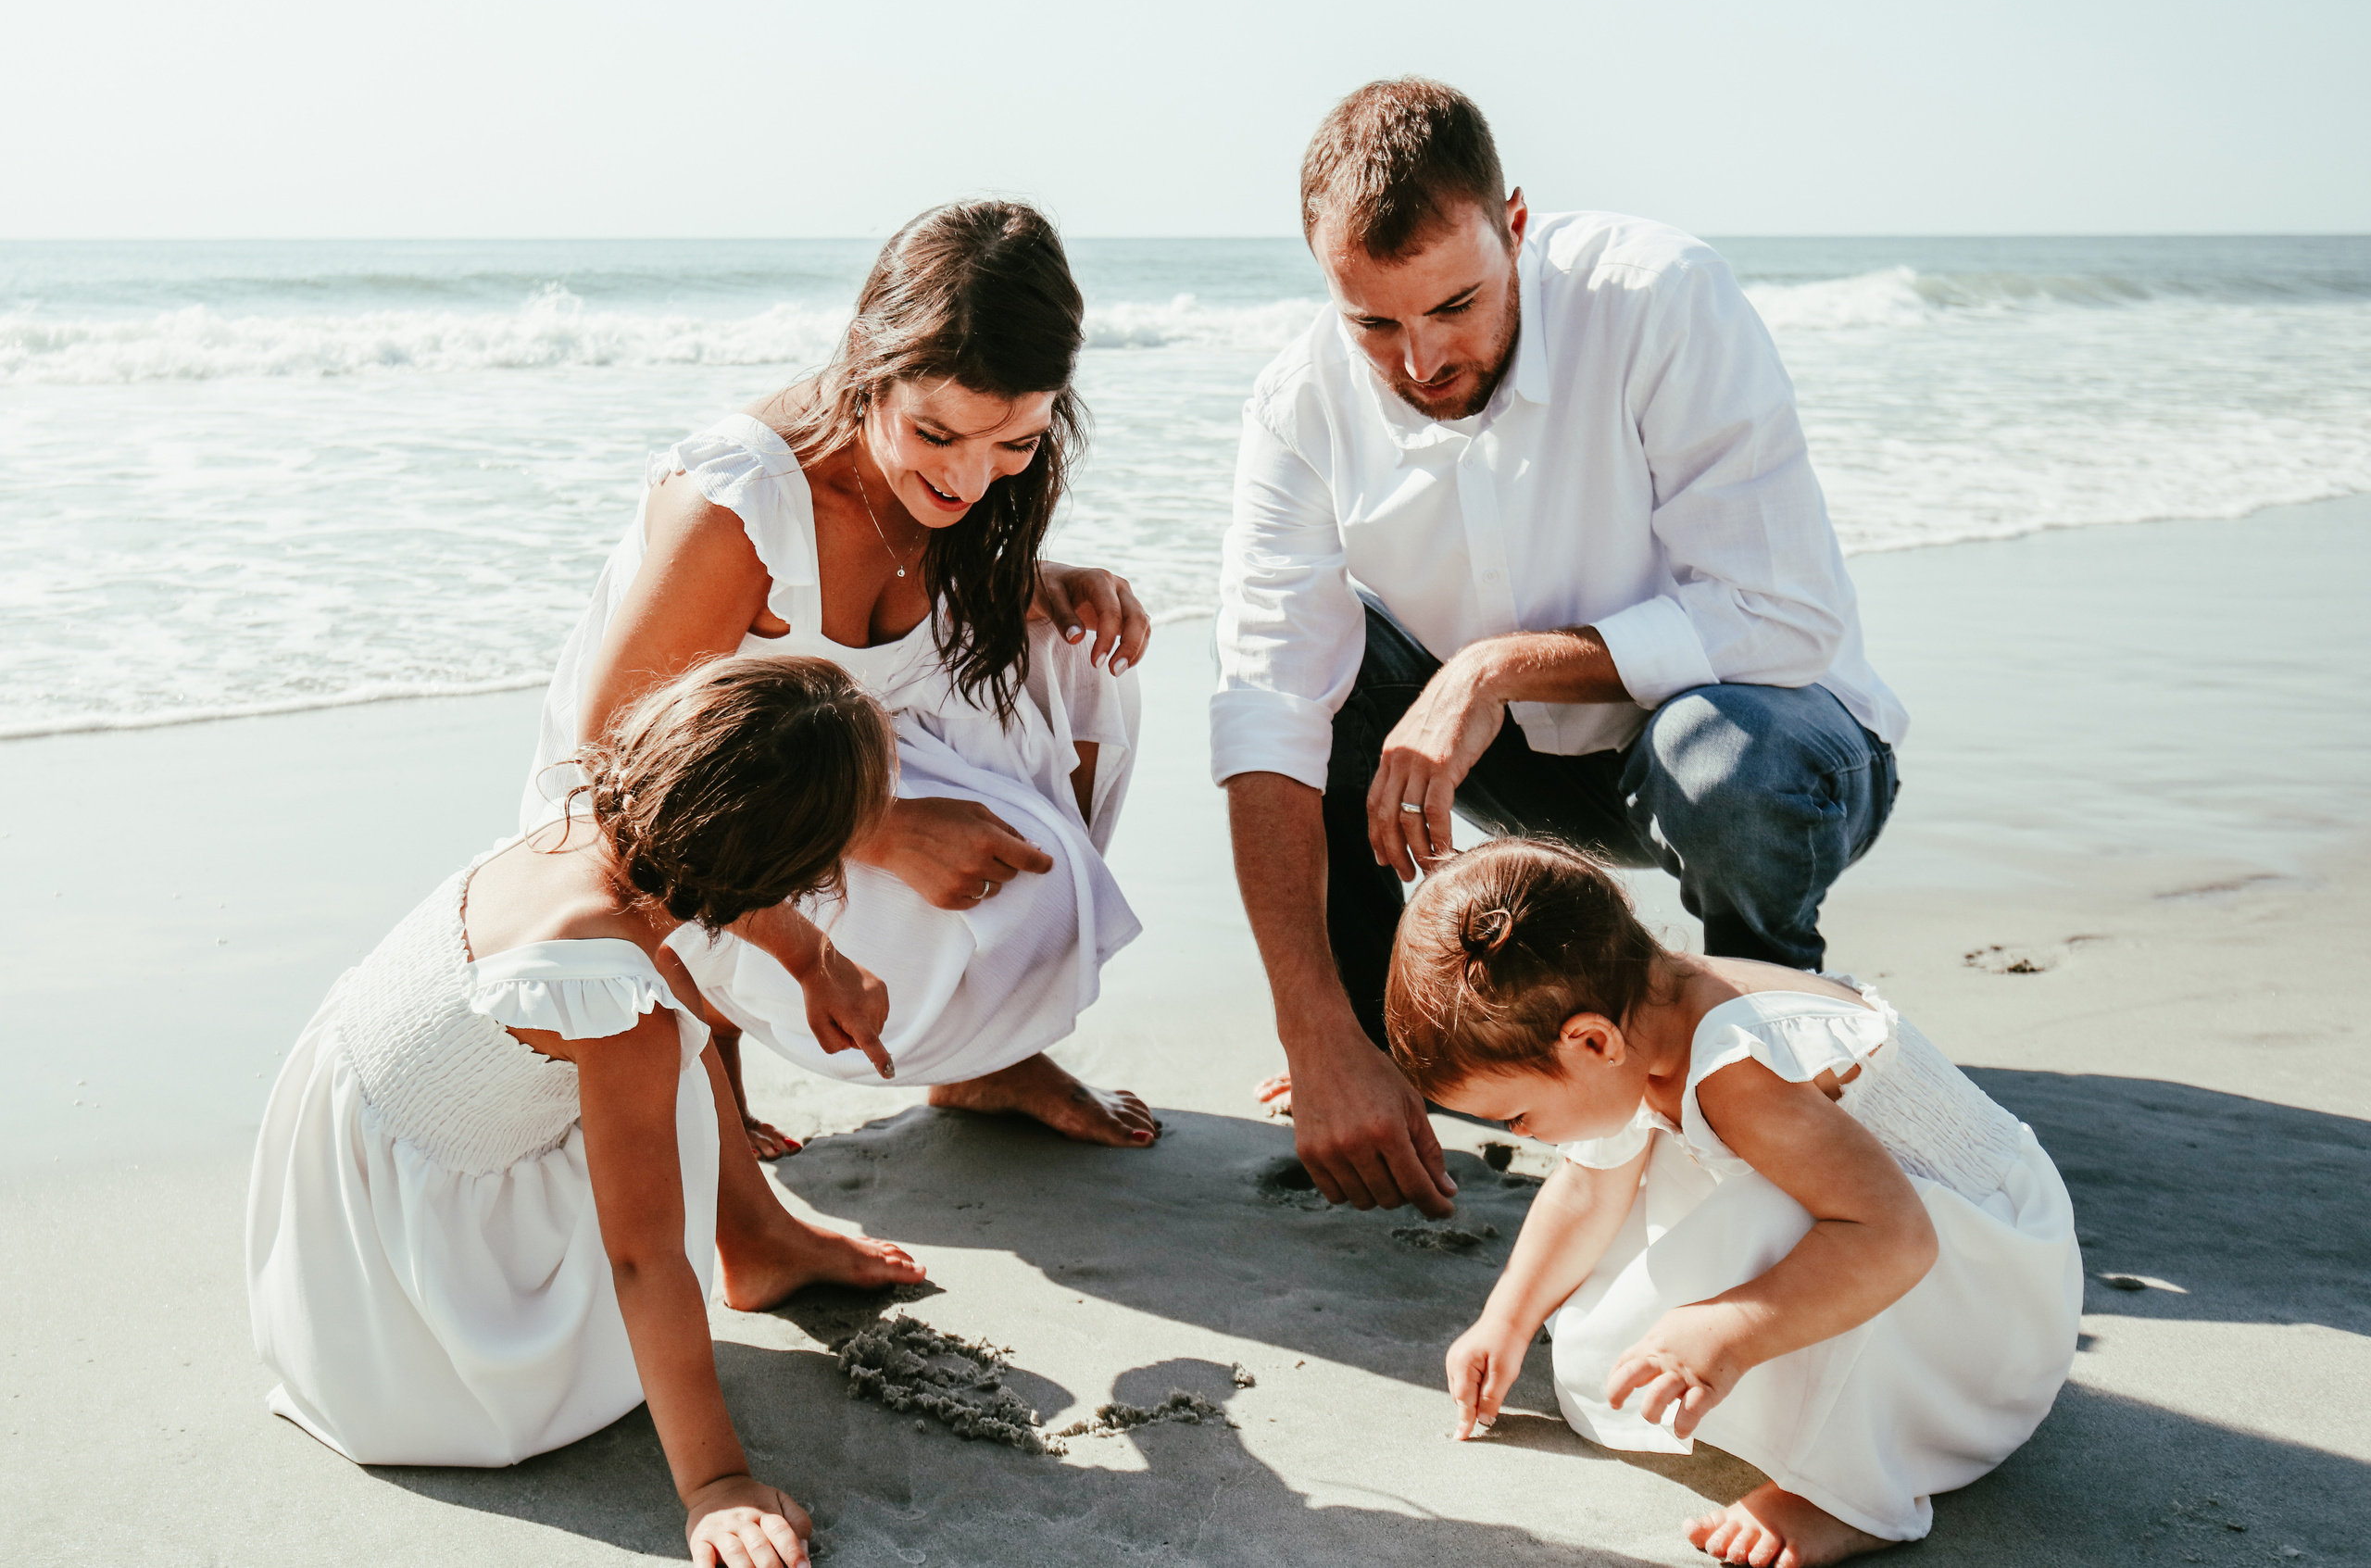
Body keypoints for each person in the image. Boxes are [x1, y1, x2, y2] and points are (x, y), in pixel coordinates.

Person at [1212, 77, 1908, 1218]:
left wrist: (1486, 669)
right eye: (1374, 324)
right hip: (1532, 775)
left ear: (1516, 225)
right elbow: (1262, 709)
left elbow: (1782, 619)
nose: (1422, 360)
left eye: (1455, 304)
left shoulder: (1658, 296)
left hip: (1776, 748)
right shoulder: (1298, 403)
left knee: (1720, 758)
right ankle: (1374, 1056)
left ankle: (1763, 1036)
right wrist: (1312, 1025)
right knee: (1306, 691)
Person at [248, 657, 929, 1568]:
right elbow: (641, 1257)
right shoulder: (620, 1006)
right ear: (789, 868)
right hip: (409, 1326)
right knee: (673, 1050)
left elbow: (701, 866)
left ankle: (761, 1243)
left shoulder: (576, 830)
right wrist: (715, 1485)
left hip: (343, 1181)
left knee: (672, 1010)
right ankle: (750, 1254)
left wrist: (810, 959)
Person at [525, 201, 1159, 1158]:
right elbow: (612, 776)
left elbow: (910, 607)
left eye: (1014, 444)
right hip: (694, 821)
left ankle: (987, 1060)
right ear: (870, 365)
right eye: (937, 435)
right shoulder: (741, 504)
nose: (972, 481)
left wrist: (1039, 581)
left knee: (1079, 658)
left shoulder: (974, 475)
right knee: (669, 822)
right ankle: (713, 1066)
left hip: (845, 748)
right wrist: (876, 831)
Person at [1387, 838, 2080, 1566]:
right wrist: (1507, 1320)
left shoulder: (1738, 1067)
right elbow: (1589, 1187)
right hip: (1890, 1228)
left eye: (1515, 1116)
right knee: (1626, 1290)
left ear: (1591, 1043)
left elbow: (1897, 1236)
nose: (1521, 1134)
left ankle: (1850, 1495)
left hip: (1985, 1297)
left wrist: (1725, 1331)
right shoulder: (1643, 1014)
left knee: (1767, 1220)